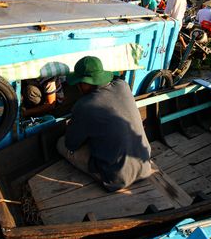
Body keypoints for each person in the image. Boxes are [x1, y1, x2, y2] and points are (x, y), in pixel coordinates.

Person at [57, 56, 152, 192]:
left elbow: (71, 144)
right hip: (145, 166)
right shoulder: (123, 86)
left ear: (86, 83)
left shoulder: (84, 106)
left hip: (118, 179)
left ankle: (107, 176)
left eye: (79, 82)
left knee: (61, 144)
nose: (77, 86)